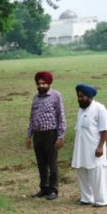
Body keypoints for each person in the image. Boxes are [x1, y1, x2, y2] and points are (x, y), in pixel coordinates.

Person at [26, 71, 66, 201]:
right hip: (38, 134)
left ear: (49, 83)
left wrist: (60, 136)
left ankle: (53, 189)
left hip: (51, 134)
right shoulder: (36, 97)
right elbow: (32, 117)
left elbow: (61, 117)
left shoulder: (56, 96)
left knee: (52, 163)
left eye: (44, 83)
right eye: (39, 83)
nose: (41, 86)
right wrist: (29, 136)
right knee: (41, 163)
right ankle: (44, 188)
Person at [71, 84, 107, 207]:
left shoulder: (100, 108)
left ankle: (101, 200)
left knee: (97, 173)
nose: (79, 99)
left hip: (94, 148)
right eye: (78, 96)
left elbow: (104, 130)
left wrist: (100, 147)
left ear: (90, 96)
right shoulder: (81, 110)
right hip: (81, 148)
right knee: (82, 170)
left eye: (82, 96)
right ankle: (87, 198)